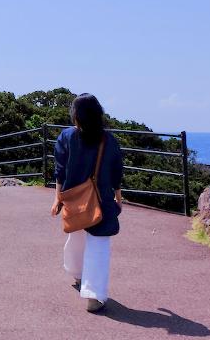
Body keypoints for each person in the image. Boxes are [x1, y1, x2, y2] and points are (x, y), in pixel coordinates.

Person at [50, 93, 124, 313]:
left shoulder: (66, 137)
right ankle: (94, 296)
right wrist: (118, 198)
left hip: (75, 199)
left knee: (77, 235)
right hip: (101, 200)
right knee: (98, 245)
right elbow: (116, 172)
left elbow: (60, 172)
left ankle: (76, 272)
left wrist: (58, 198)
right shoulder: (108, 140)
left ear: (76, 115)